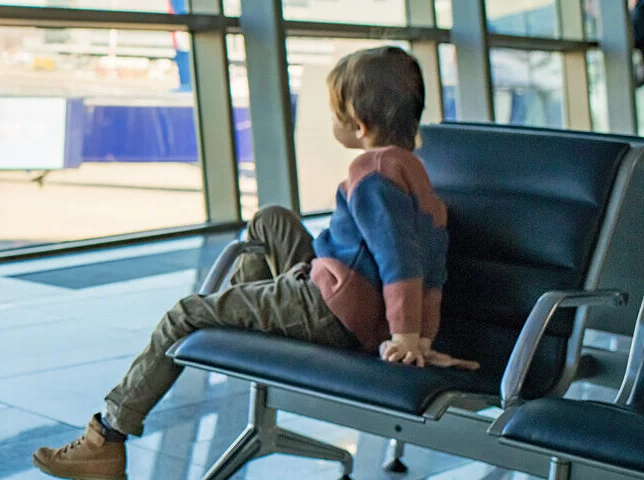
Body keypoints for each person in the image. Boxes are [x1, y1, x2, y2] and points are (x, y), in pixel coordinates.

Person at [29, 46, 480, 480]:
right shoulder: (416, 174)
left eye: (335, 115)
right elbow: (431, 264)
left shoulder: (372, 174)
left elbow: (402, 260)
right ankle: (245, 312)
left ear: (359, 125)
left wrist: (406, 337)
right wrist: (422, 334)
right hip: (342, 288)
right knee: (272, 221)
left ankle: (106, 437)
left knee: (183, 315)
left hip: (330, 308)